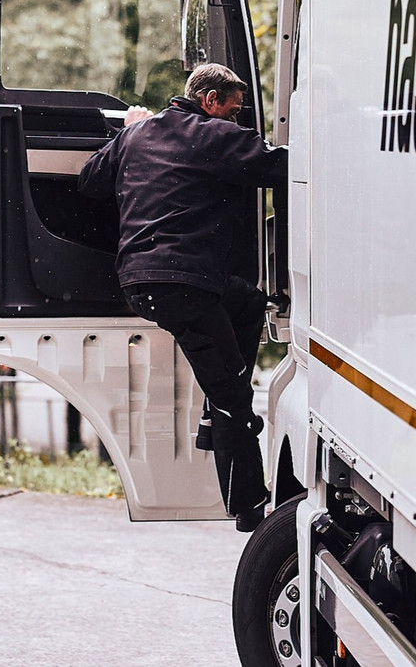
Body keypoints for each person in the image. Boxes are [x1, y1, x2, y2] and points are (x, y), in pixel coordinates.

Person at [78, 63, 288, 531]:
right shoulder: (214, 135)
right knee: (234, 396)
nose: (235, 120)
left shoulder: (139, 134)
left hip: (141, 281)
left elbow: (90, 181)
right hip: (184, 287)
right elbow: (282, 168)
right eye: (232, 110)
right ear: (210, 100)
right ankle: (248, 505)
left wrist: (127, 133)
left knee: (249, 303)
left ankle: (218, 414)